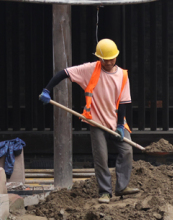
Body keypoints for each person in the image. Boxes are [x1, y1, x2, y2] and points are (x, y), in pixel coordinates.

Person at [40, 38, 140, 204]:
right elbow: (64, 73)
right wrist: (47, 90)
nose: (109, 62)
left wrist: (121, 125)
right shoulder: (90, 69)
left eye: (112, 58)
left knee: (127, 150)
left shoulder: (122, 75)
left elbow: (124, 103)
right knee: (101, 156)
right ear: (100, 58)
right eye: (105, 59)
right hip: (96, 121)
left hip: (116, 121)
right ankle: (105, 192)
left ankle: (122, 187)